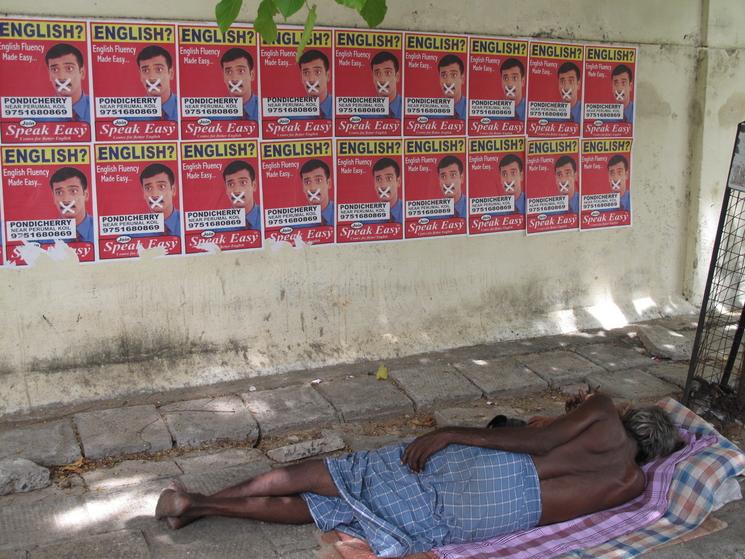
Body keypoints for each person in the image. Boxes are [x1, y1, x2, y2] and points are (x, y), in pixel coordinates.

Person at [155, 393, 681, 558]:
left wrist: (454, 430)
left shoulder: (606, 414)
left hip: (492, 478)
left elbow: (536, 443)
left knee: (342, 475)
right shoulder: (633, 485)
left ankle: (196, 502)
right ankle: (199, 507)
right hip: (486, 521)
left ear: (637, 417)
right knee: (348, 511)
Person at [44, 44, 90, 124]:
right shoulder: (36, 117)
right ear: (49, 75)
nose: (62, 77)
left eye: (69, 68)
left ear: (82, 73)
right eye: (55, 69)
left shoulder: (99, 109)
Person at [48, 167, 93, 243]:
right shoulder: (42, 238)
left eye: (73, 191)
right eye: (59, 193)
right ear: (54, 198)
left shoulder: (102, 229)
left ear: (86, 195)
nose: (66, 199)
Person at [135, 45, 178, 121]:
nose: (152, 77)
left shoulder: (187, 110)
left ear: (171, 74)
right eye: (145, 70)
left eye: (159, 69)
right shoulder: (129, 116)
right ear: (140, 75)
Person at [139, 163, 180, 236]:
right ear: (144, 194)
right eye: (148, 188)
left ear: (173, 190)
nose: (155, 195)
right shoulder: (133, 232)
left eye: (162, 186)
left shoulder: (190, 223)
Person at [218, 48, 258, 121]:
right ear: (223, 77)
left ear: (252, 75)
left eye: (241, 71)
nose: (234, 79)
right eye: (229, 72)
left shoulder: (265, 109)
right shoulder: (214, 115)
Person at [221, 160, 261, 230]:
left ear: (254, 186)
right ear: (226, 189)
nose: (237, 190)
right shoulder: (216, 226)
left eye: (243, 182)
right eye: (231, 184)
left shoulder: (268, 217)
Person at [365, 157, 402, 224]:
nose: (383, 185)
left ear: (398, 182)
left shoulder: (411, 213)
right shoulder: (365, 219)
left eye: (389, 178)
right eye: (378, 179)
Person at [297, 50, 332, 120]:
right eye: (306, 73)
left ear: (328, 76)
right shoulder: (291, 116)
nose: (311, 80)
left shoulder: (344, 111)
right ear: (301, 78)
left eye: (317, 72)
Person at [300, 159, 334, 226]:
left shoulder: (344, 215)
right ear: (303, 187)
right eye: (307, 182)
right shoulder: (294, 223)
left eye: (319, 180)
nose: (313, 188)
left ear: (329, 183)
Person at [370, 51, 402, 119]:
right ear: (372, 77)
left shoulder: (410, 109)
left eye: (388, 73)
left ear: (397, 77)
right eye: (377, 73)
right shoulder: (362, 115)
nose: (382, 80)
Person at [436, 54, 467, 120]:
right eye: (443, 75)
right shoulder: (429, 114)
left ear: (462, 79)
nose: (448, 82)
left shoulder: (474, 110)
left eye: (454, 75)